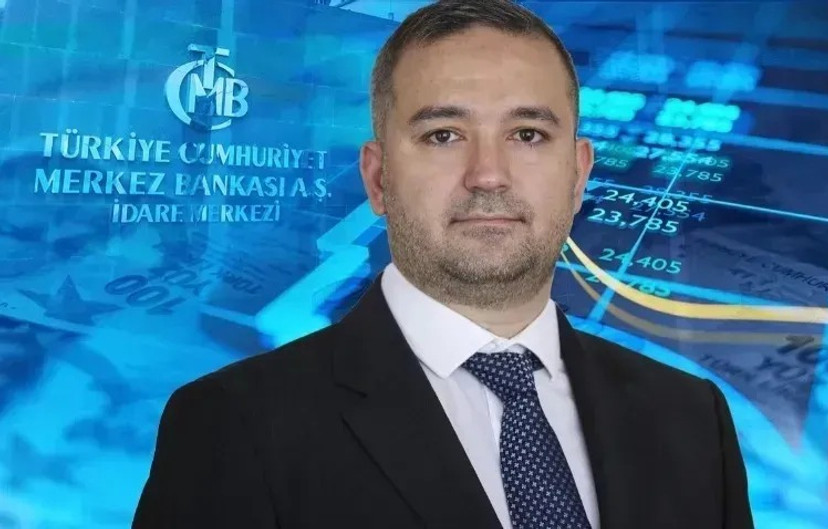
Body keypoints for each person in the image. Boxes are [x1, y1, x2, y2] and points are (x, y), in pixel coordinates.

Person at [132, 1, 755, 528]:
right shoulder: (233, 425)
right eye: (443, 135)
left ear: (578, 173)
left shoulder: (692, 418)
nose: (489, 175)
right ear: (378, 178)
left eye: (528, 134)